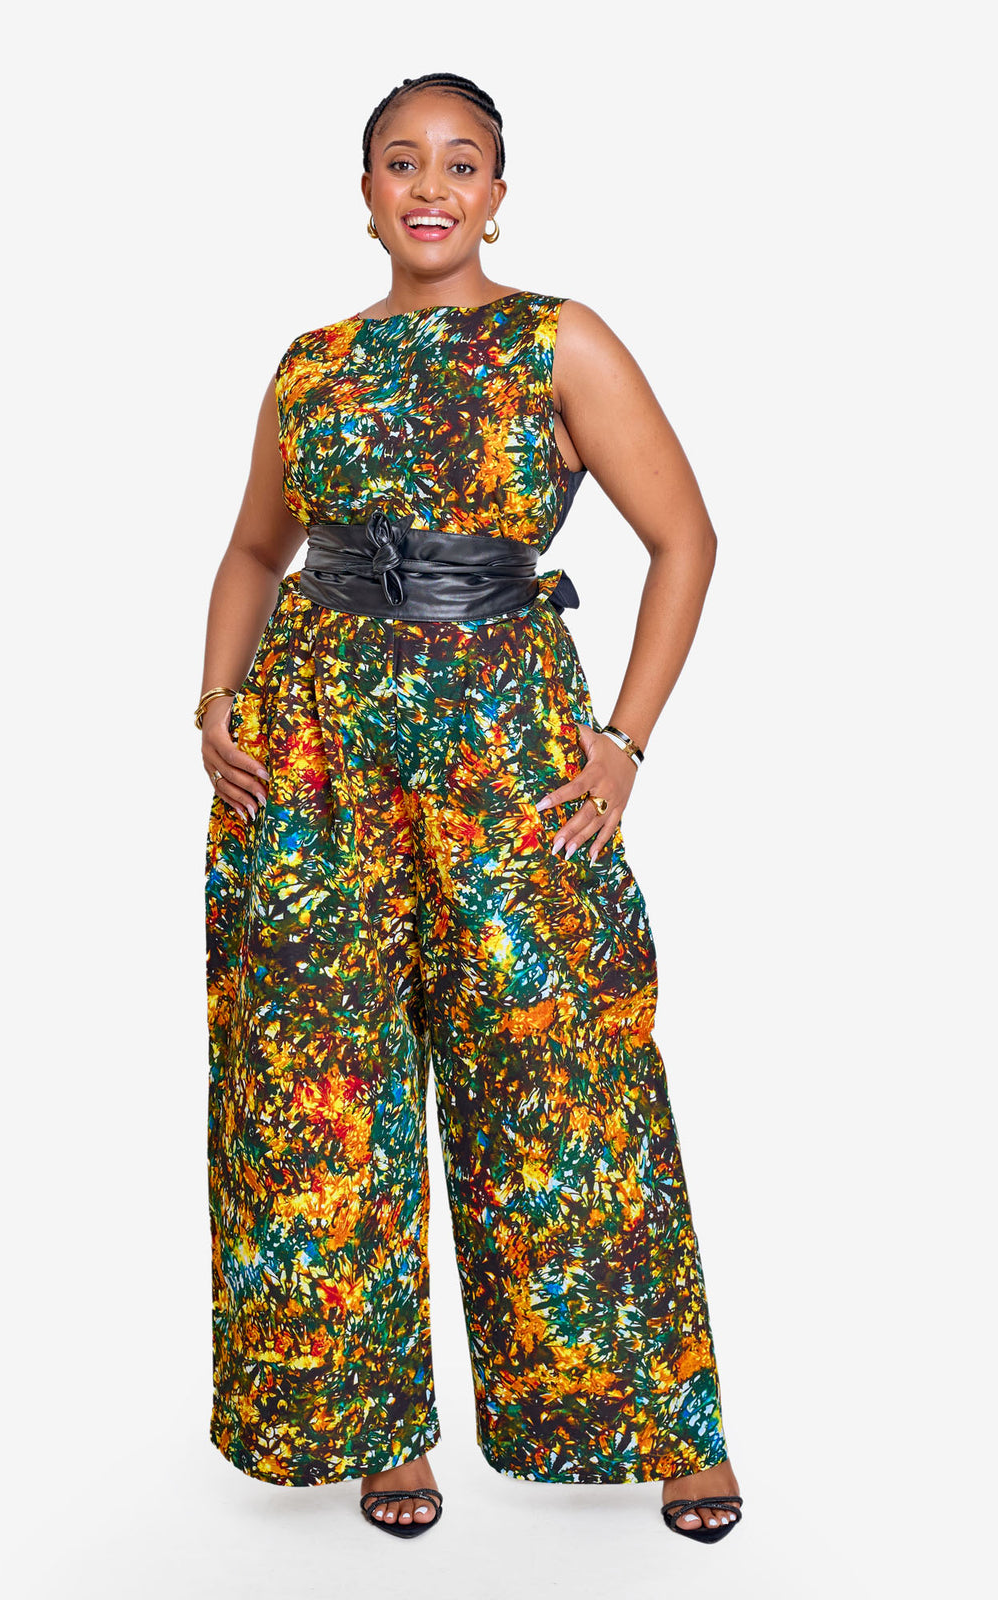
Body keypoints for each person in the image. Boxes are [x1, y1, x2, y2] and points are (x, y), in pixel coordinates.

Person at [198, 71, 743, 1545]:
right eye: (401, 162)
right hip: (314, 760)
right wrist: (215, 703)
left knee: (564, 1076)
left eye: (461, 163)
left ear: (499, 193)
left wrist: (624, 742)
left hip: (505, 751)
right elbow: (253, 552)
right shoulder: (312, 365)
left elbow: (685, 537)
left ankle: (665, 1424)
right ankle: (376, 1428)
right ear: (365, 191)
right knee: (319, 1083)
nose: (429, 187)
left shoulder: (560, 340)